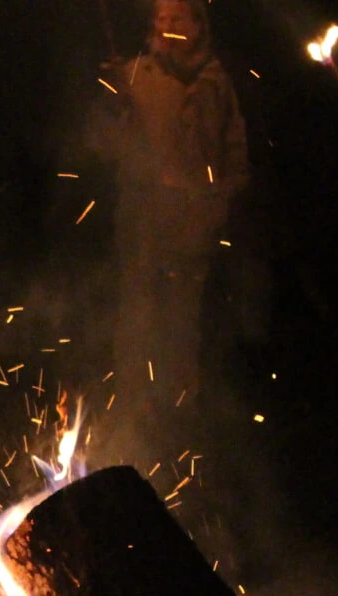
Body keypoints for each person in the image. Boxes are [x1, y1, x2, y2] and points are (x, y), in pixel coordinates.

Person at [89, 0, 250, 424]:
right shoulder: (135, 75)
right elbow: (103, 145)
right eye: (160, 18)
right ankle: (134, 407)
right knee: (139, 316)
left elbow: (235, 156)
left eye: (177, 18)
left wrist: (214, 198)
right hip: (143, 223)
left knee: (183, 321)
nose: (166, 26)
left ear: (198, 26)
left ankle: (181, 413)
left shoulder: (215, 82)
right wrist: (114, 106)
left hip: (194, 227)